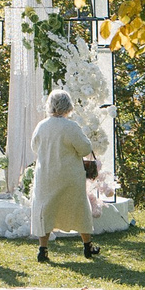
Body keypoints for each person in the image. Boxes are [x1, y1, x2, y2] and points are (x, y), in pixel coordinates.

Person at [29, 88, 100, 262]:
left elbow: (34, 148)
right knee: (79, 208)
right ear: (68, 106)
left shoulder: (42, 126)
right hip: (69, 176)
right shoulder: (71, 127)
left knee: (45, 210)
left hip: (46, 174)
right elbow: (84, 149)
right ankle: (87, 246)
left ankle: (43, 249)